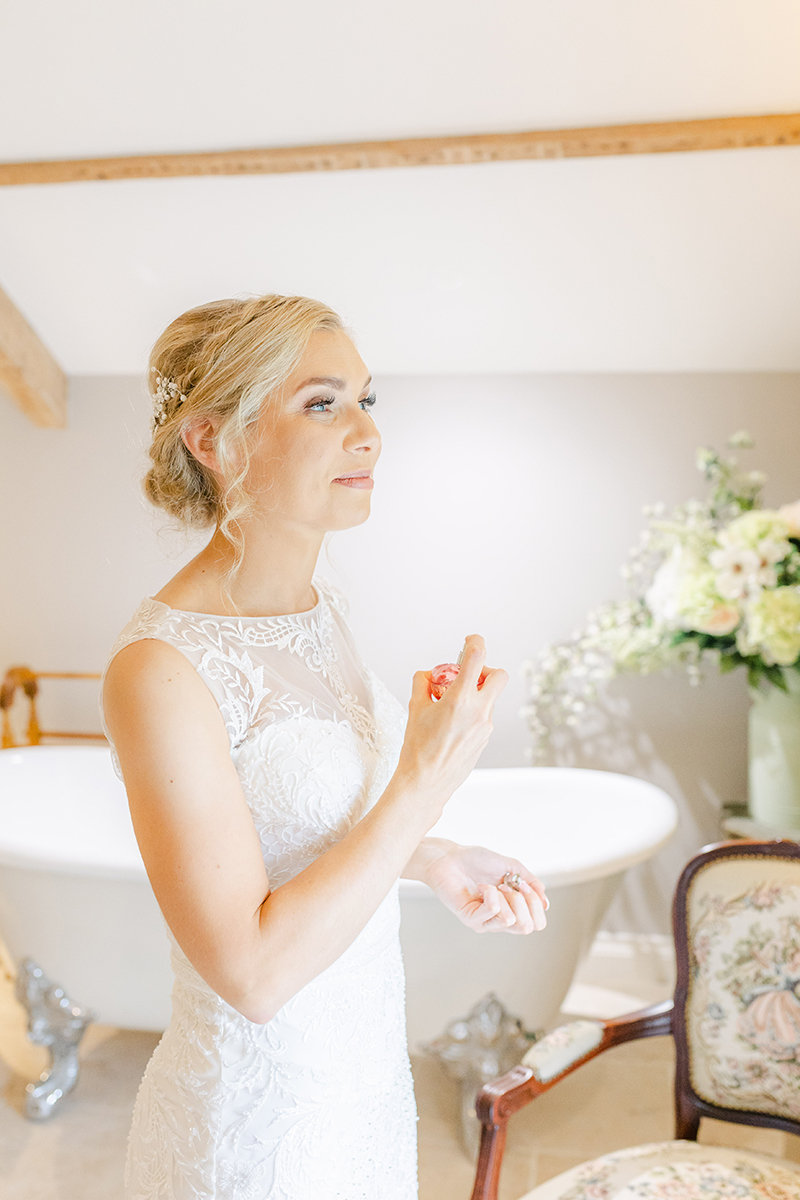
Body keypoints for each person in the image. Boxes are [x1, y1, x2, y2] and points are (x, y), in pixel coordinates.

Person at [101, 293, 548, 1200]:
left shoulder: (320, 609)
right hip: (253, 1133)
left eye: (366, 401)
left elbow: (305, 831)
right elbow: (254, 974)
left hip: (360, 1089)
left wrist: (437, 856)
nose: (367, 435)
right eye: (321, 404)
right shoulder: (159, 668)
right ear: (213, 439)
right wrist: (423, 781)